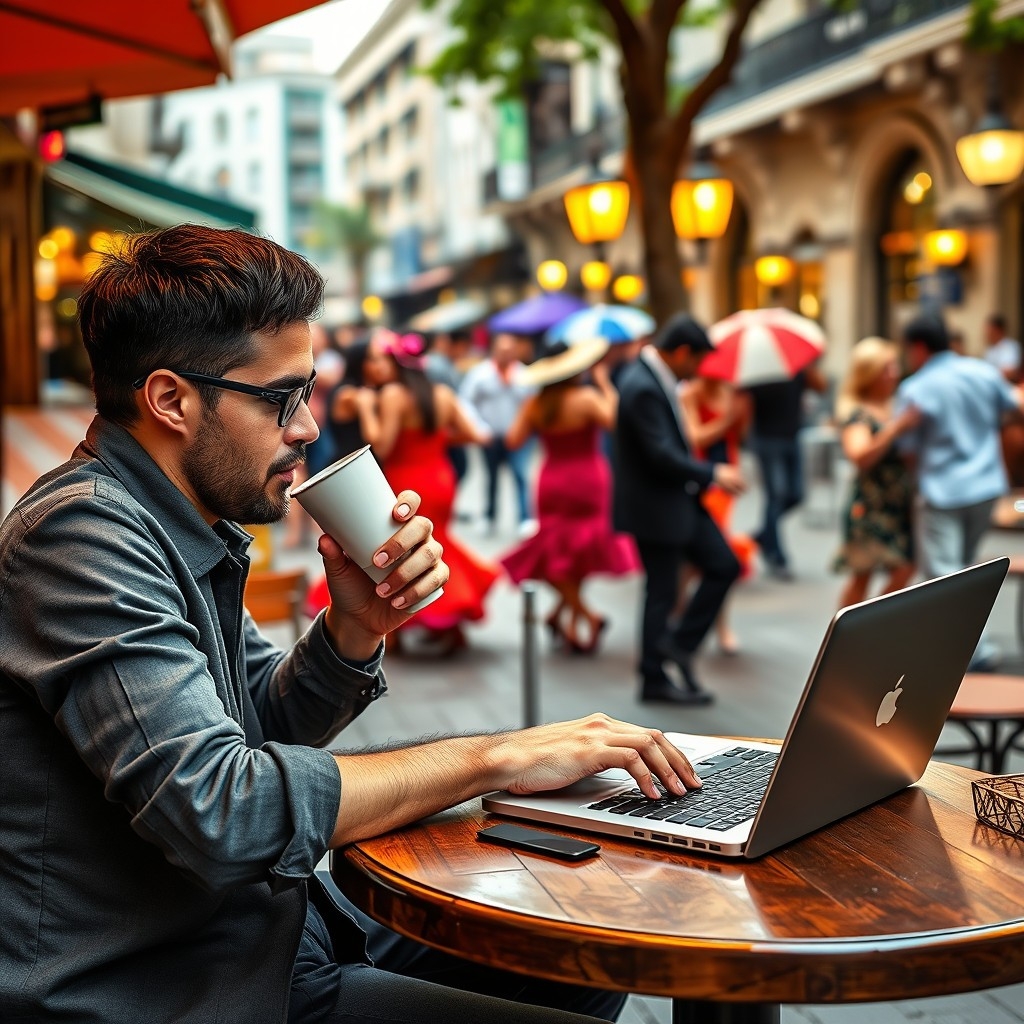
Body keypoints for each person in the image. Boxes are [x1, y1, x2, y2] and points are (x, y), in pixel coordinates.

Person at [0, 225, 705, 1024]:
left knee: (582, 937)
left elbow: (257, 726)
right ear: (170, 400)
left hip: (270, 932)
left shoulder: (176, 520)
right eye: (281, 398)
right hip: (169, 985)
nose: (306, 426)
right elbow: (223, 810)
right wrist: (494, 757)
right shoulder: (81, 537)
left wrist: (352, 630)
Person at [612, 313, 746, 705]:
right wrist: (713, 472)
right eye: (697, 360)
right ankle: (655, 675)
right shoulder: (642, 386)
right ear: (683, 352)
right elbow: (661, 455)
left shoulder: (652, 379)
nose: (698, 370)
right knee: (662, 591)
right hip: (658, 506)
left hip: (676, 500)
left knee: (723, 565)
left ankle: (676, 648)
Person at [354, 329, 501, 656]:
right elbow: (473, 435)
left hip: (406, 482)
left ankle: (400, 631)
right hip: (440, 477)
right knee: (438, 544)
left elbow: (382, 445)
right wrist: (433, 441)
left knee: (401, 551)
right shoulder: (444, 394)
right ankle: (450, 621)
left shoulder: (392, 395)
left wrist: (366, 408)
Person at [896, 313, 1024, 670]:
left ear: (919, 347)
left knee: (945, 574)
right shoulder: (983, 372)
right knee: (961, 569)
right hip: (986, 487)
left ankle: (972, 650)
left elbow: (907, 450)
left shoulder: (916, 388)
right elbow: (1016, 408)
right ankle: (953, 640)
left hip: (942, 491)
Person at [500, 340, 639, 654]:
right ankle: (588, 616)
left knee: (557, 549)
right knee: (580, 549)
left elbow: (512, 440)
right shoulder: (587, 397)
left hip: (552, 479)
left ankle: (563, 615)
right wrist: (606, 386)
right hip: (589, 478)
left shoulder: (536, 404)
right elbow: (617, 423)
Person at [831, 337, 920, 609]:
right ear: (869, 373)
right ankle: (843, 637)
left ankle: (872, 624)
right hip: (869, 506)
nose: (894, 373)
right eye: (886, 368)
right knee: (862, 576)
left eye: (894, 366)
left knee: (906, 568)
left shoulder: (897, 404)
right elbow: (859, 456)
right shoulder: (857, 413)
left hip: (898, 504)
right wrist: (894, 429)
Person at [679, 374, 756, 655]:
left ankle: (709, 623)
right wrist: (727, 419)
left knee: (714, 557)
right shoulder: (691, 393)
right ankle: (691, 621)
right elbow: (694, 437)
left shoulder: (732, 393)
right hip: (703, 479)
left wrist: (743, 415)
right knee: (707, 558)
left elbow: (740, 437)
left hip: (727, 479)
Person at [746, 361, 828, 580]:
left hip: (791, 437)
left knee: (797, 495)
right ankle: (776, 557)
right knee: (776, 496)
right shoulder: (758, 370)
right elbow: (745, 401)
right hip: (766, 439)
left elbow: (821, 386)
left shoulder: (797, 365)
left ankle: (764, 534)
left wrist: (808, 367)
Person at [459, 331, 535, 534]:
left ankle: (525, 518)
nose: (506, 354)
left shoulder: (524, 374)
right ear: (493, 350)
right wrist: (479, 428)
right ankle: (490, 515)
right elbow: (465, 402)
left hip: (518, 437)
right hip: (490, 436)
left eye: (510, 350)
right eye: (502, 350)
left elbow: (533, 404)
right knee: (491, 477)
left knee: (520, 475)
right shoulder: (480, 374)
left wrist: (524, 429)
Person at [983, 313, 1021, 383]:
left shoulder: (1010, 347)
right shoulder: (990, 349)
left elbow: (1010, 373)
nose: (986, 333)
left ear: (998, 330)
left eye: (989, 330)